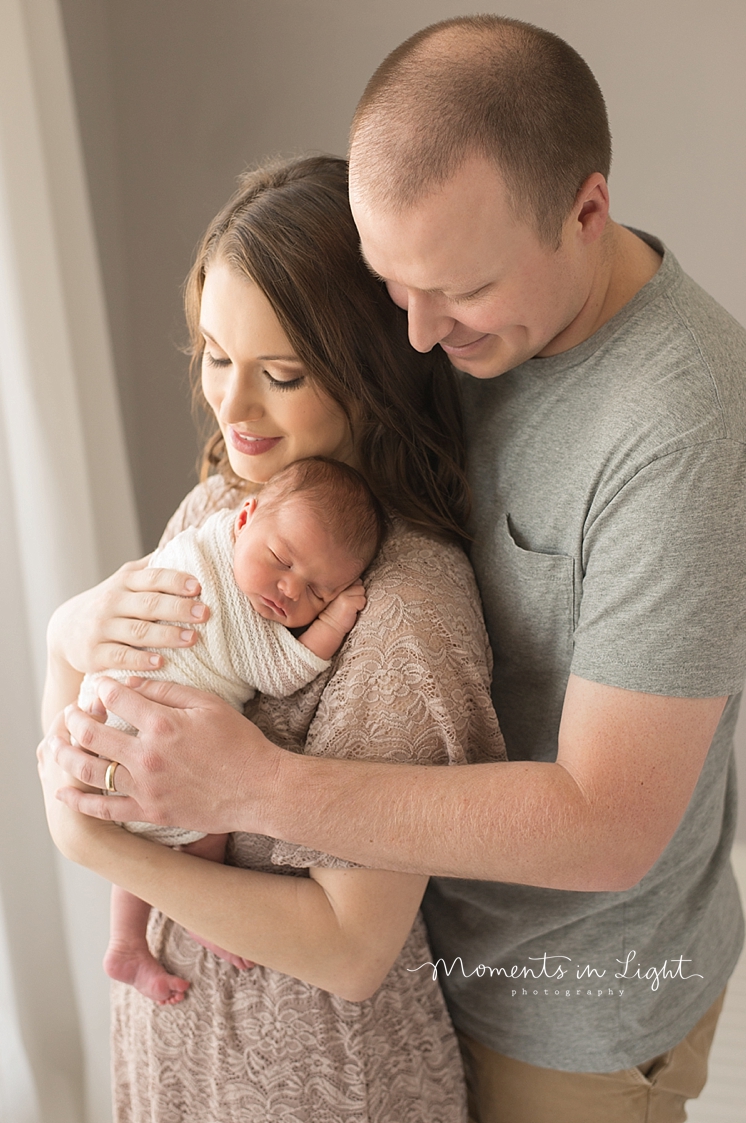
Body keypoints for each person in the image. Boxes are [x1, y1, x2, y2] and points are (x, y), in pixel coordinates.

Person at [41, 15, 746, 1123]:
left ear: (586, 214)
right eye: (389, 283)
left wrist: (245, 788)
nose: (411, 334)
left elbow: (613, 825)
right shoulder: (447, 310)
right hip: (409, 953)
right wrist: (71, 630)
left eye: (453, 292)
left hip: (563, 995)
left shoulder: (682, 428)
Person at [40, 154, 506, 1122]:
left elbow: (350, 945)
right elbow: (104, 704)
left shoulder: (407, 609)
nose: (234, 408)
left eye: (281, 374)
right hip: (175, 1049)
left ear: (371, 369)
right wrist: (62, 633)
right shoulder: (221, 507)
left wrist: (91, 843)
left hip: (314, 1082)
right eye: (216, 355)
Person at [87, 456, 381, 1006]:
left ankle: (126, 943)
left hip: (99, 716)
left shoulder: (215, 538)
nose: (289, 591)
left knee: (130, 842)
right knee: (206, 823)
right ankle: (204, 913)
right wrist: (333, 621)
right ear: (242, 518)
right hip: (129, 711)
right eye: (280, 560)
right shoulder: (213, 581)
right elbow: (281, 673)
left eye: (318, 592)